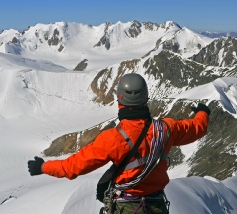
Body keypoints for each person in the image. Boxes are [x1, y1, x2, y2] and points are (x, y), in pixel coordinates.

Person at [28, 73, 210, 214]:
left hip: (127, 208)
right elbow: (196, 128)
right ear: (146, 98)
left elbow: (71, 167)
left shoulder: (112, 139)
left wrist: (44, 167)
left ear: (120, 100)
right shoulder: (166, 129)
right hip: (157, 206)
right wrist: (203, 112)